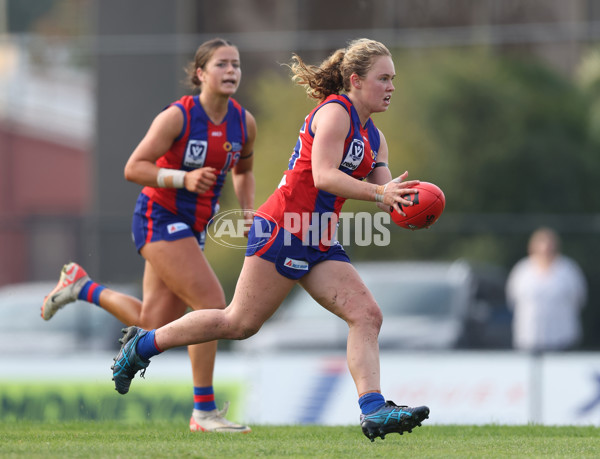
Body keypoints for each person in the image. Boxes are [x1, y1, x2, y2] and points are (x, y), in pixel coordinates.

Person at [110, 38, 430, 442]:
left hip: (318, 237)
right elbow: (324, 177)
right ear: (355, 80)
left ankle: (373, 410)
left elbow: (386, 193)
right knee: (238, 323)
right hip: (282, 227)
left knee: (368, 315)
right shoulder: (335, 113)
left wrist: (408, 204)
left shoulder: (375, 138)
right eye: (383, 78)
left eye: (393, 79)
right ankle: (143, 346)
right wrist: (382, 195)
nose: (391, 87)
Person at [41, 38, 255, 433]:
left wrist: (246, 210)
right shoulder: (178, 117)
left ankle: (81, 287)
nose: (231, 71)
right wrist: (182, 177)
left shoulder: (244, 123)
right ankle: (204, 412)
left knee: (152, 321)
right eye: (222, 64)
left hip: (193, 226)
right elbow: (133, 167)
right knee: (211, 302)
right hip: (159, 216)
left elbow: (242, 170)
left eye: (236, 65)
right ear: (200, 74)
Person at [506, 227, 587, 352]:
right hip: (528, 338)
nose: (545, 249)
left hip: (562, 339)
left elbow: (579, 298)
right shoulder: (522, 270)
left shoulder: (568, 270)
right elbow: (512, 299)